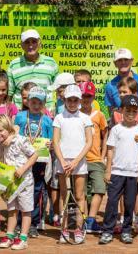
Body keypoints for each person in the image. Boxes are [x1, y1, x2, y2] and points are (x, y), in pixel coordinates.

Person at [100, 95, 138, 245]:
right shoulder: (116, 129)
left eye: (134, 111)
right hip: (116, 172)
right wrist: (108, 170)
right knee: (112, 202)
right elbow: (110, 150)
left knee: (129, 203)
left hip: (133, 174)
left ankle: (127, 230)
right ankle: (107, 231)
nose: (130, 113)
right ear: (121, 110)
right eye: (127, 110)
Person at [53, 85, 93, 244]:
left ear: (80, 100)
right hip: (62, 162)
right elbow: (55, 141)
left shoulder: (85, 118)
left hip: (79, 162)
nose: (72, 103)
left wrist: (76, 161)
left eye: (75, 100)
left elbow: (89, 142)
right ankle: (64, 229)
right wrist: (63, 161)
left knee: (79, 196)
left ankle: (78, 229)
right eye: (69, 100)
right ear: (64, 100)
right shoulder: (58, 117)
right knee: (64, 194)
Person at [0, 115, 38, 250]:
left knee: (25, 210)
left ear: (8, 128)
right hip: (11, 184)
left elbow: (34, 155)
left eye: (1, 130)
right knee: (11, 209)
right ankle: (10, 235)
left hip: (25, 182)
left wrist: (23, 168)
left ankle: (23, 238)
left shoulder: (20, 140)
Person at [14, 87, 53, 238]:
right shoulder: (20, 117)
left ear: (44, 103)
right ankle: (18, 222)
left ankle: (33, 223)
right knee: (21, 189)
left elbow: (51, 141)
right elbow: (16, 135)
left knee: (36, 191)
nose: (36, 105)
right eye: (33, 102)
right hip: (22, 160)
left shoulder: (48, 120)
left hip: (40, 161)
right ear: (28, 102)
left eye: (39, 103)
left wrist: (50, 145)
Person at [78, 82, 108, 234]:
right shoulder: (75, 114)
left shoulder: (99, 115)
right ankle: (82, 220)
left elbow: (105, 134)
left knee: (100, 189)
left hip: (96, 159)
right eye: (83, 96)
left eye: (88, 96)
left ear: (93, 97)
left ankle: (91, 220)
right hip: (79, 160)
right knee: (81, 193)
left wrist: (103, 156)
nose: (85, 99)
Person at [7, 29, 58, 110]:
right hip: (21, 115)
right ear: (22, 45)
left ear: (40, 43)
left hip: (46, 115)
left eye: (34, 41)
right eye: (27, 42)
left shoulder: (51, 63)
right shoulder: (14, 65)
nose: (30, 46)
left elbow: (58, 90)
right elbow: (9, 94)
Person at [104, 48, 138, 122]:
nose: (123, 62)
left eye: (126, 59)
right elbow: (111, 111)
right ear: (115, 63)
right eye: (120, 60)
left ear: (131, 61)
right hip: (121, 128)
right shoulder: (110, 86)